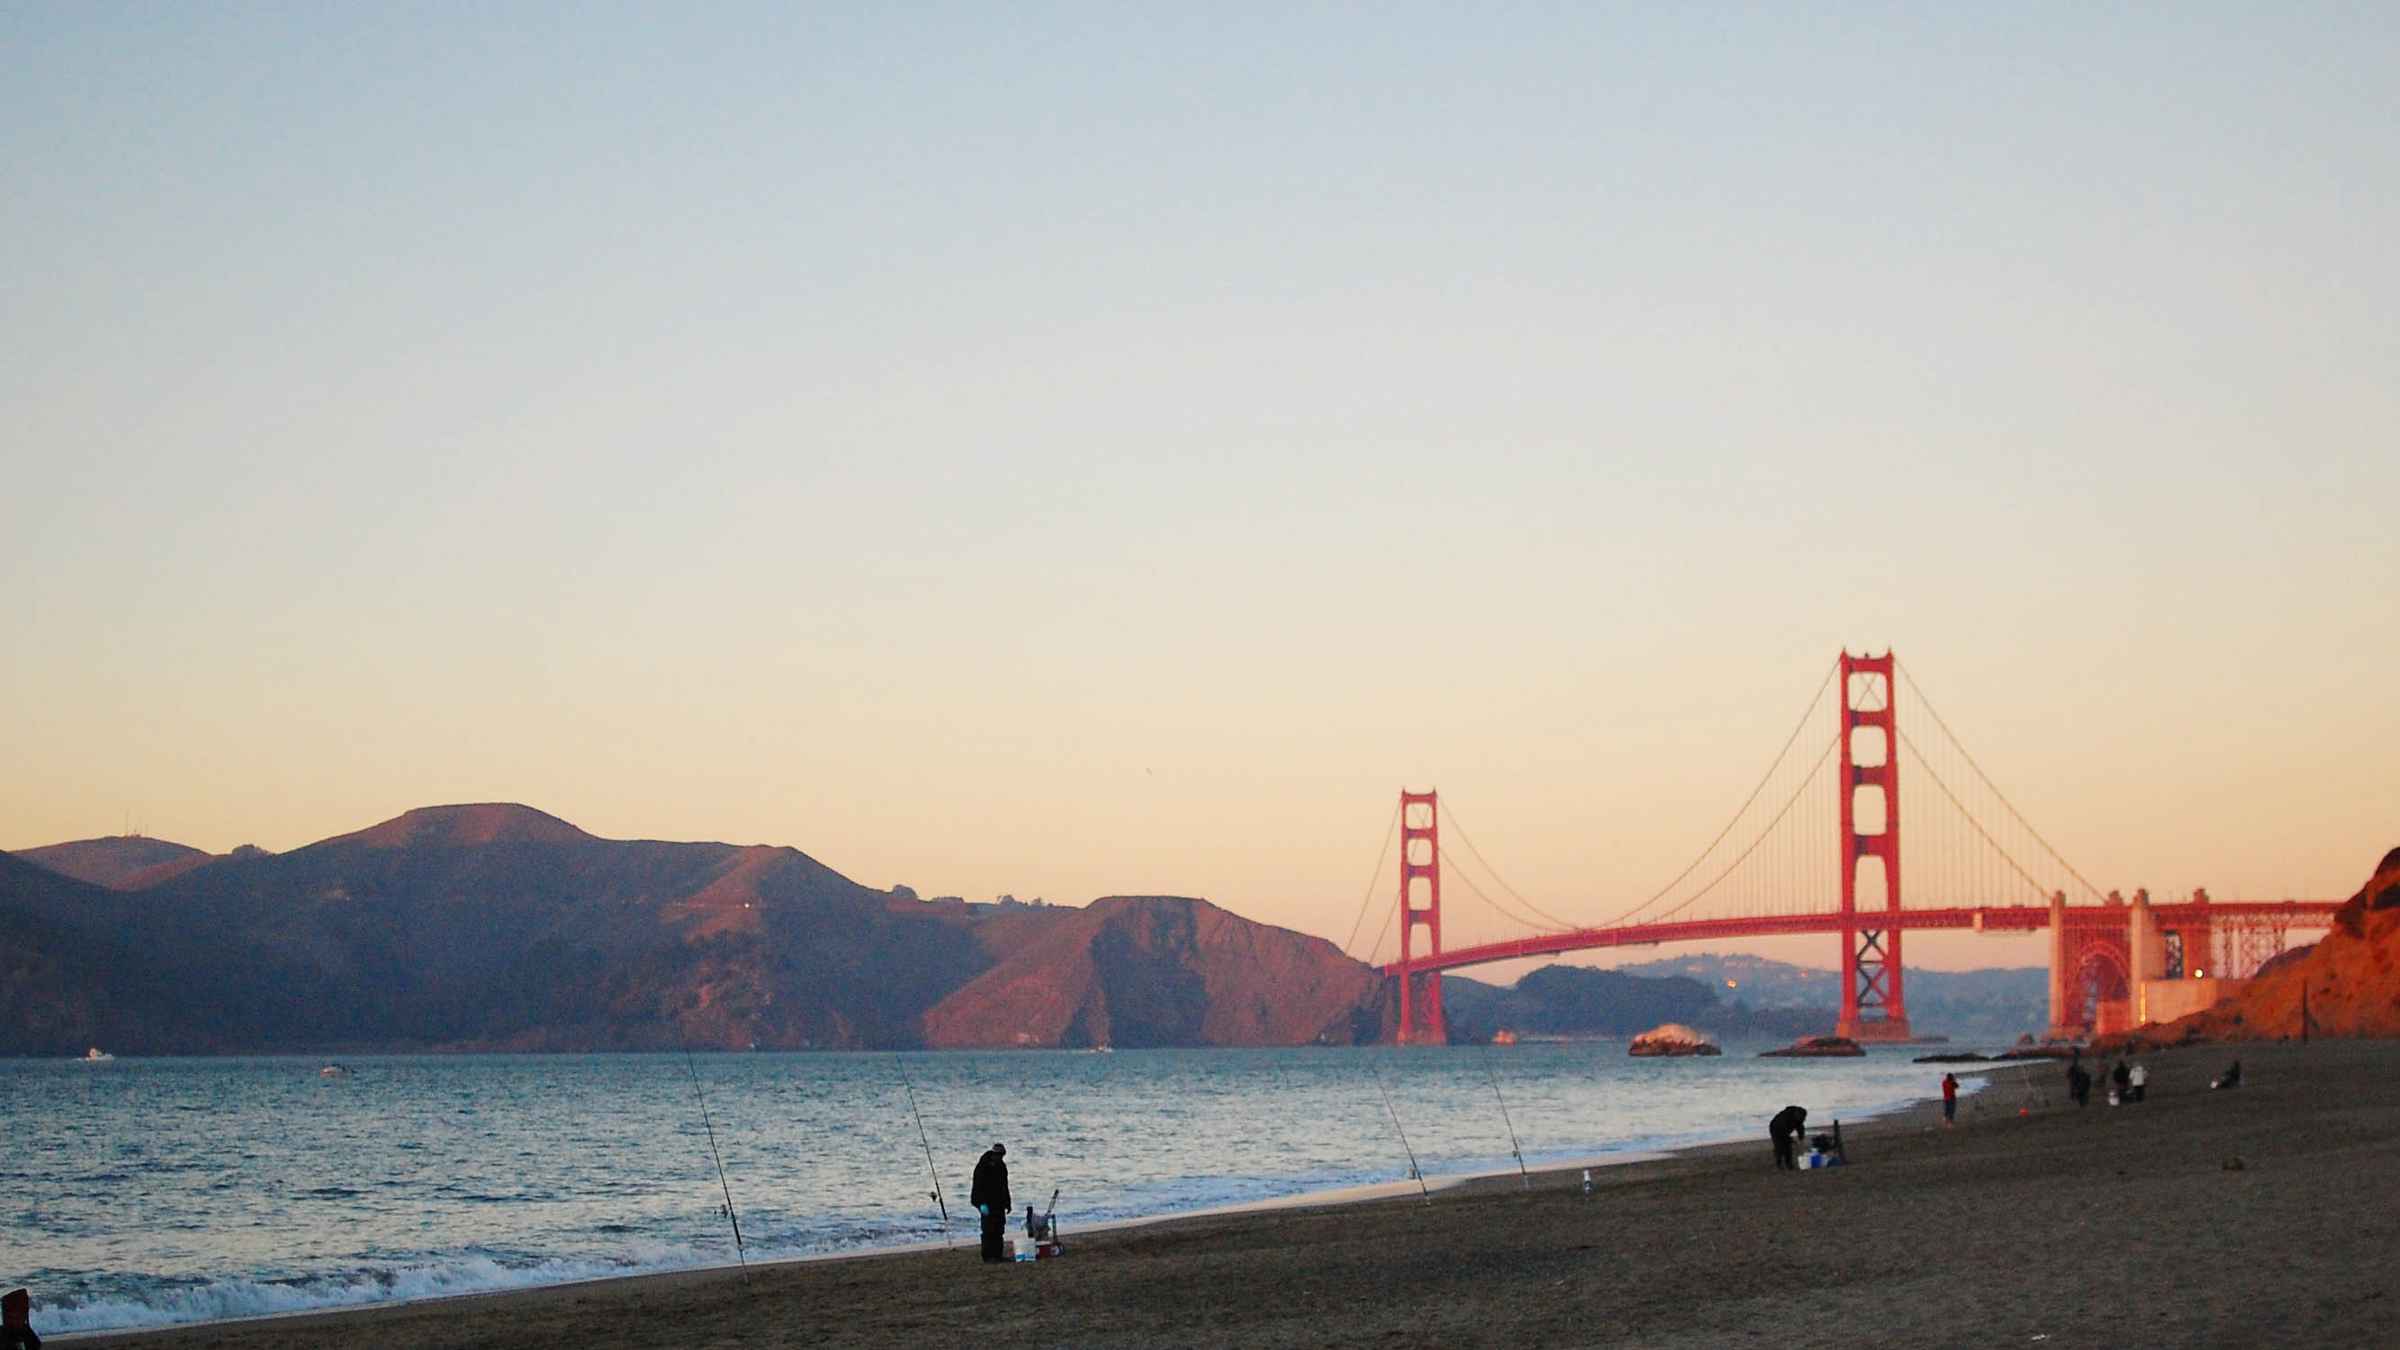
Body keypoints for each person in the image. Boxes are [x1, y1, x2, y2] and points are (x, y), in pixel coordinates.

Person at [970, 1143, 1011, 1263]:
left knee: (999, 1229)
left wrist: (1007, 1203)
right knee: (988, 1230)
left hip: (999, 1203)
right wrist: (980, 1204)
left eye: (1002, 1155)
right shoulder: (983, 1166)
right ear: (993, 1154)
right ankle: (988, 1256)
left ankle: (998, 1255)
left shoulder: (1002, 1166)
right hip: (986, 1203)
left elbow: (1004, 1186)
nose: (1000, 1158)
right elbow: (977, 1186)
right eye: (998, 1155)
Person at [1769, 1104, 1808, 1171]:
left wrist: (1801, 1138)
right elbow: (1783, 1134)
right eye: (1801, 1118)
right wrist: (1792, 1140)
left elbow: (1800, 1128)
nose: (1802, 1119)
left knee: (1788, 1147)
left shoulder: (1800, 1117)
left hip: (1786, 1129)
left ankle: (1789, 1164)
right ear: (1796, 1115)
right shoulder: (1785, 1118)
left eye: (1803, 1118)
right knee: (1780, 1146)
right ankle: (1779, 1164)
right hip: (1775, 1128)